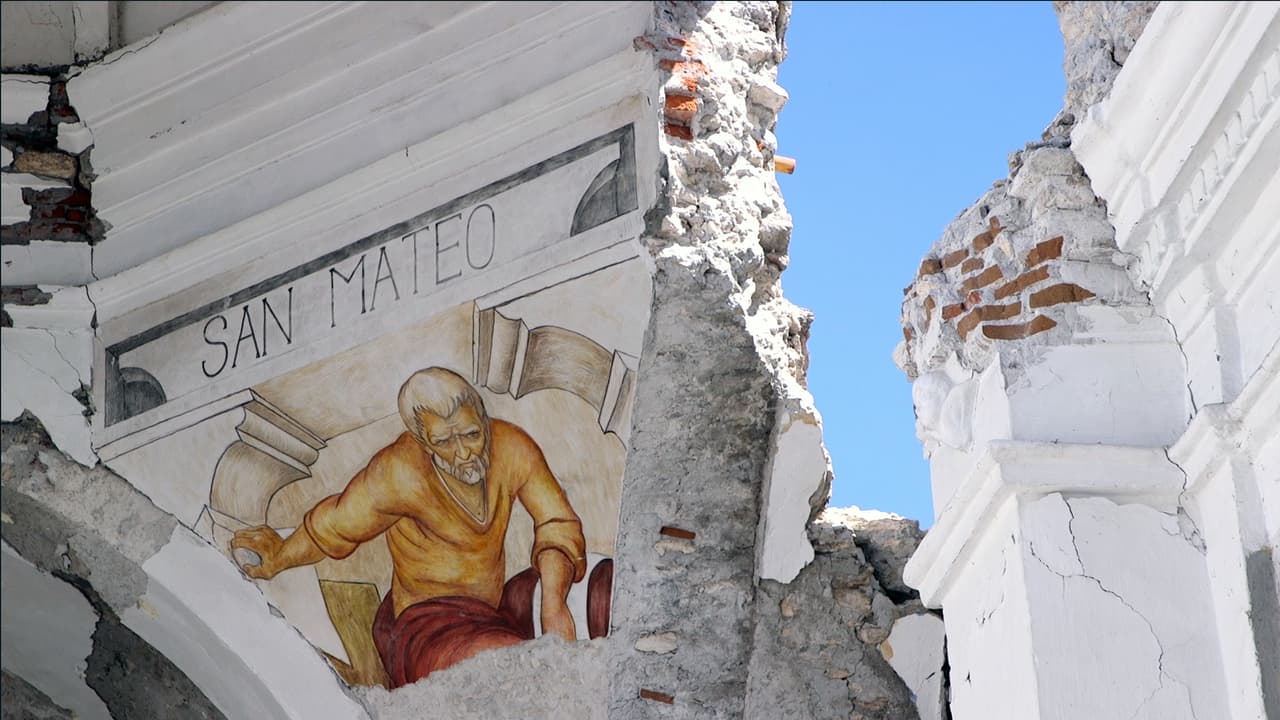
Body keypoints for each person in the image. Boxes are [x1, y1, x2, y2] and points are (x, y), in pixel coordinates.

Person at [231, 367, 587, 687]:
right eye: (445, 442)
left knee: (603, 588)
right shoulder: (399, 472)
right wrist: (278, 555)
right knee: (507, 664)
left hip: (496, 612)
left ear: (482, 417)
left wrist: (553, 604)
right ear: (422, 441)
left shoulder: (512, 446)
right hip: (429, 628)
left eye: (472, 434)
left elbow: (556, 523)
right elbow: (333, 526)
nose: (464, 453)